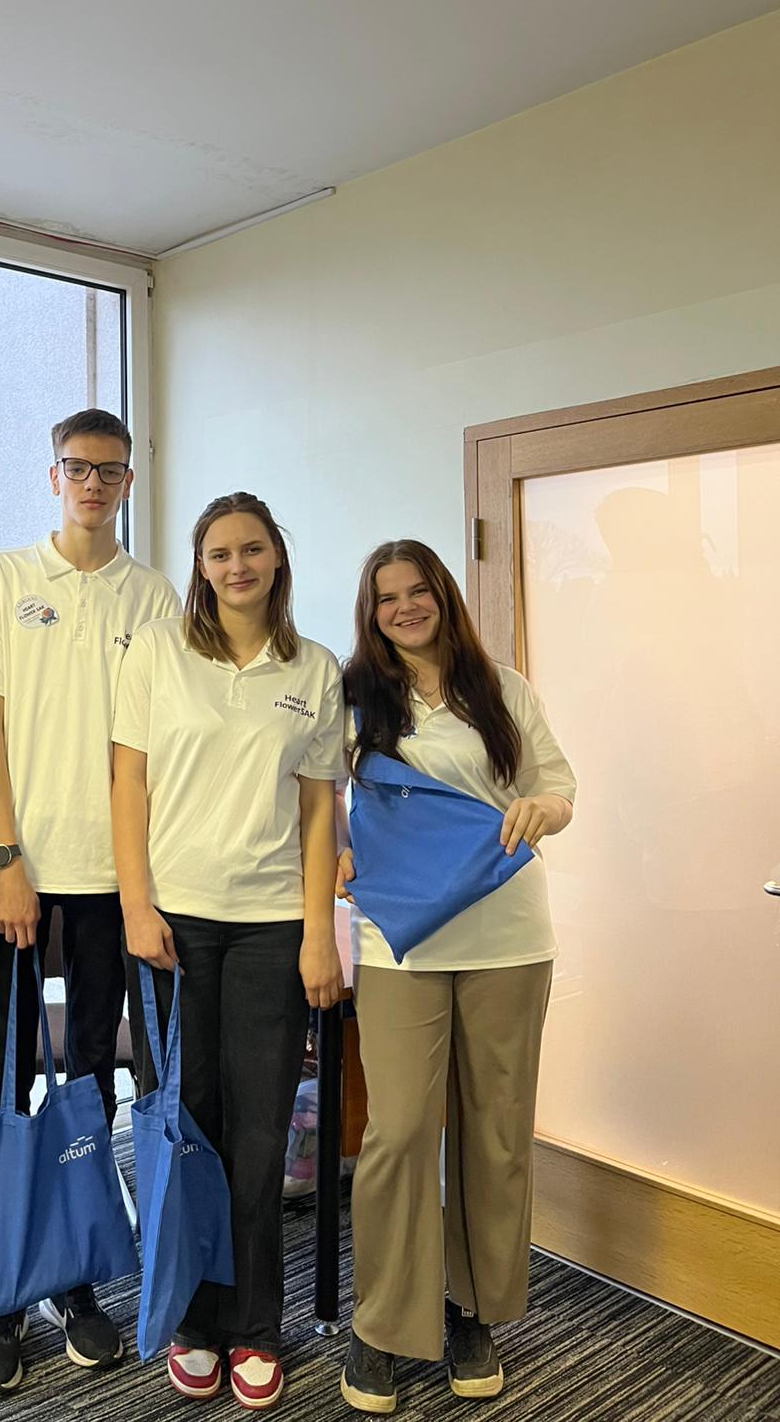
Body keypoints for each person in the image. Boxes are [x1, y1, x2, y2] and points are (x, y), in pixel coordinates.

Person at [0, 407, 180, 1393]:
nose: (93, 484)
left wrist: (143, 883)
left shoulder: (154, 595)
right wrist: (6, 856)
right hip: (20, 874)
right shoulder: (4, 580)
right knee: (7, 1084)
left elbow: (162, 739)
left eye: (109, 471)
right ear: (53, 476)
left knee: (89, 1079)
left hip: (111, 879)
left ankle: (75, 1276)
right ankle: (1, 1292)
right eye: (77, 468)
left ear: (128, 482)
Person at [112, 491, 345, 1411]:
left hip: (272, 927)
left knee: (258, 1134)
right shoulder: (157, 653)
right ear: (200, 566)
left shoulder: (313, 668)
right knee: (188, 1125)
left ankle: (255, 1326)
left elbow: (320, 808)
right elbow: (128, 784)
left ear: (276, 558)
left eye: (251, 550)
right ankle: (193, 1319)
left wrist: (318, 932)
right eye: (219, 553)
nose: (236, 566)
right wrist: (135, 905)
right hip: (173, 924)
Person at [336, 539, 575, 1414]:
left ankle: (472, 1311)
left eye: (418, 591)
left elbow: (559, 789)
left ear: (443, 594)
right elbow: (311, 796)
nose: (405, 607)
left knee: (496, 1132)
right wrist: (334, 855)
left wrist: (540, 808)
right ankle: (381, 1323)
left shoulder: (502, 688)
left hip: (508, 936)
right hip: (399, 943)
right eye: (387, 597)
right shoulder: (352, 696)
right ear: (371, 611)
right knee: (399, 1130)